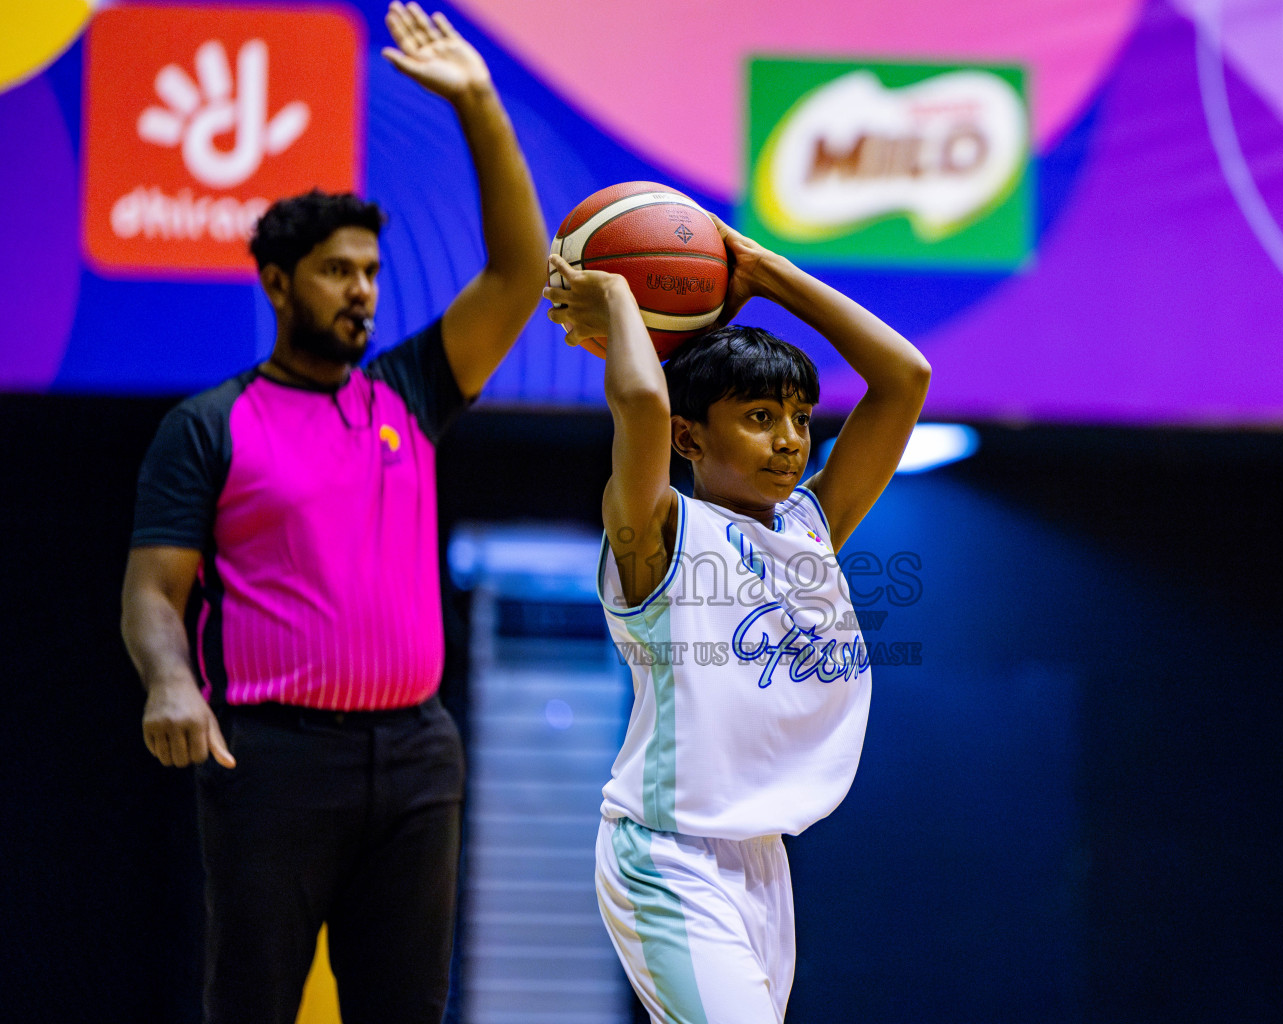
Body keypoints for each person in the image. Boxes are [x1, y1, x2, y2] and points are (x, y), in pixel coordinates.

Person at [118, 4, 547, 1021]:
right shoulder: (210, 425)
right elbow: (151, 592)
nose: (360, 291)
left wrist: (481, 102)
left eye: (369, 271)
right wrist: (171, 683)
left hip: (415, 752)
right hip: (272, 756)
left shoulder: (411, 392)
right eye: (334, 271)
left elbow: (522, 271)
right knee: (254, 1003)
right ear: (278, 283)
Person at [542, 213, 929, 1022]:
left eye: (799, 418)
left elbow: (905, 376)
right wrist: (615, 295)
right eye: (759, 418)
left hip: (762, 862)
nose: (791, 441)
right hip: (665, 853)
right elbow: (643, 402)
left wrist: (761, 269)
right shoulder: (659, 532)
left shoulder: (809, 524)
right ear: (689, 436)